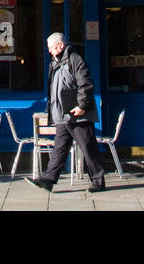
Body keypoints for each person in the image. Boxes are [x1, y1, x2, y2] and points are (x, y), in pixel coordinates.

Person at [29, 32, 106, 193]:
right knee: (60, 148)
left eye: (51, 47)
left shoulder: (74, 59)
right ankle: (48, 180)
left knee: (88, 147)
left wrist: (82, 106)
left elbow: (85, 84)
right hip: (63, 115)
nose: (49, 51)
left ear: (60, 45)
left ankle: (98, 181)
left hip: (78, 114)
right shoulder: (55, 63)